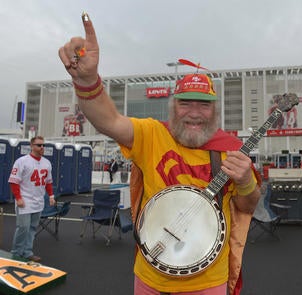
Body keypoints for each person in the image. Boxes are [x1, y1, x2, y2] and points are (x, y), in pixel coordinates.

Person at [58, 13, 261, 295]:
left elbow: (248, 206)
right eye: (185, 104)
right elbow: (109, 121)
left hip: (208, 280)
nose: (194, 113)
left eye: (203, 106)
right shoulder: (152, 134)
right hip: (150, 275)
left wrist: (245, 183)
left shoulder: (231, 150)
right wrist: (87, 81)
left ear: (215, 111)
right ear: (172, 107)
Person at [8, 136, 55, 262]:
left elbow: (48, 182)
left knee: (33, 228)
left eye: (43, 145)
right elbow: (14, 181)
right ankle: (16, 253)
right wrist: (18, 198)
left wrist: (51, 196)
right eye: (39, 145)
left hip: (38, 201)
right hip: (25, 200)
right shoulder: (22, 161)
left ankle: (27, 252)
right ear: (32, 146)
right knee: (23, 227)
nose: (42, 148)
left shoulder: (47, 163)